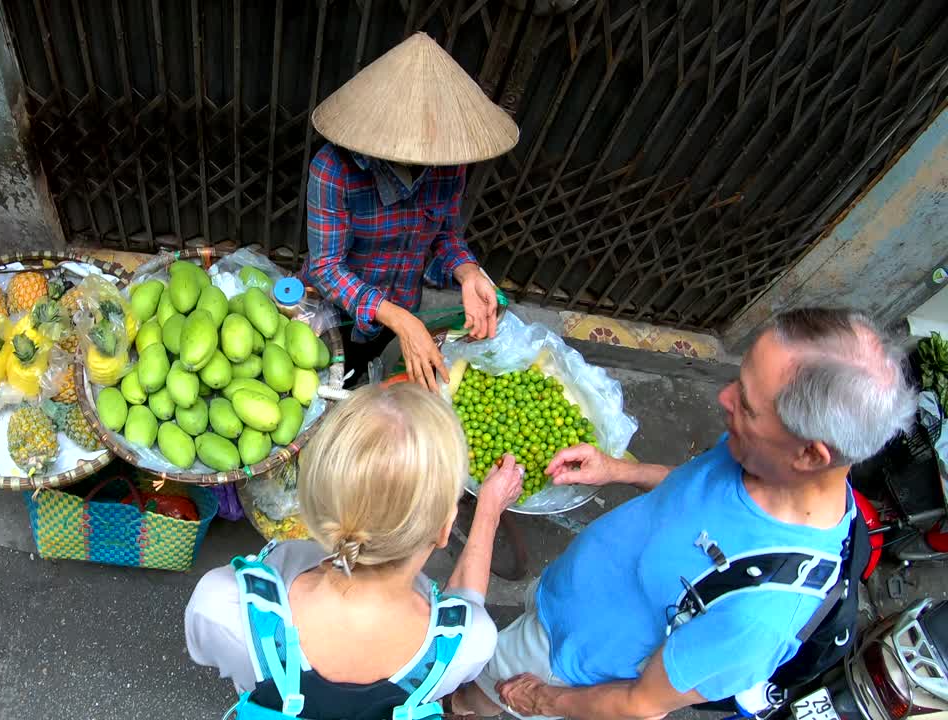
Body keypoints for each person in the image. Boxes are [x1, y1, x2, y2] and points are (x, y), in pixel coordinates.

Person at [452, 307, 917, 719]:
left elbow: (642, 703)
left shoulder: (759, 614)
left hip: (561, 659)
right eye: (739, 380)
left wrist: (541, 700)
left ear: (810, 455)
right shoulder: (760, 457)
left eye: (748, 405)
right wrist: (616, 469)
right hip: (567, 589)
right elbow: (699, 492)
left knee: (477, 692)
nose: (724, 398)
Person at [185, 383, 525, 719]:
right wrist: (488, 513)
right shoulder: (470, 642)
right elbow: (465, 607)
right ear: (444, 528)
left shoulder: (223, 605)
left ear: (311, 505)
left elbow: (211, 655)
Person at [301, 32, 520, 390]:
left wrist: (469, 274)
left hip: (403, 301)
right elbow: (326, 268)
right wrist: (400, 320)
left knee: (372, 367)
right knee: (332, 378)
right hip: (336, 314)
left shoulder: (449, 164)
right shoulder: (333, 170)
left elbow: (445, 234)